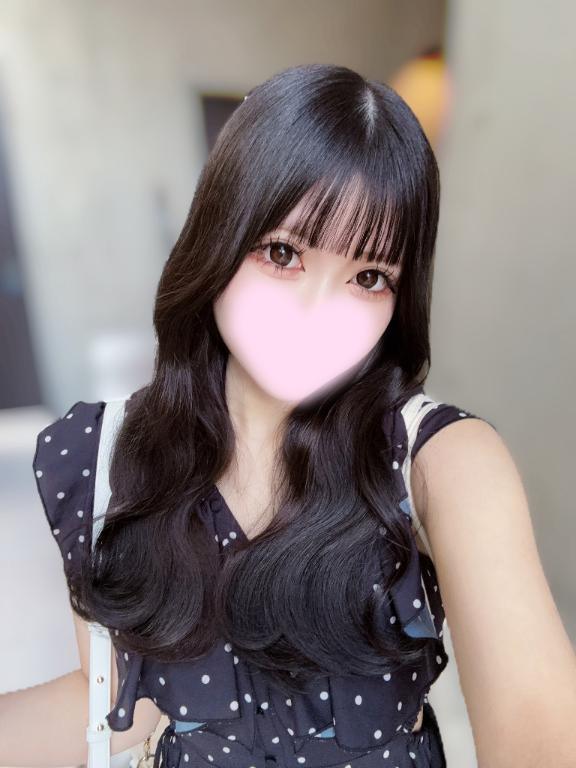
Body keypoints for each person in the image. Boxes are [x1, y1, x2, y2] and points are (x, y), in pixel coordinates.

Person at [3, 63, 576, 768]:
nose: (317, 313)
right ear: (219, 236)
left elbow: (540, 735)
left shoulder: (440, 460)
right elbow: (118, 709)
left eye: (368, 277)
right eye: (284, 253)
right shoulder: (105, 453)